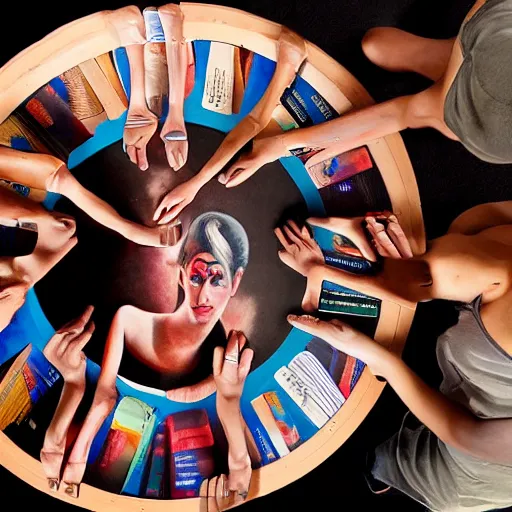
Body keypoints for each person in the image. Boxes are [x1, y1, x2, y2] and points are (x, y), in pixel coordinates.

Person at [277, 202, 512, 511]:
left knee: (383, 464)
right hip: (474, 373)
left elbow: (464, 433)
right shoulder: (482, 264)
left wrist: (380, 358)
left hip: (474, 469)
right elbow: (467, 233)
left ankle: (382, 481)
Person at [58, 211, 249, 496]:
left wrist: (209, 386)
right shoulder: (129, 321)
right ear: (183, 275)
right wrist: (80, 447)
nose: (204, 296)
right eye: (196, 277)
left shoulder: (226, 345)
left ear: (235, 281)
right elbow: (105, 392)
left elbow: (229, 388)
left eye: (217, 279)